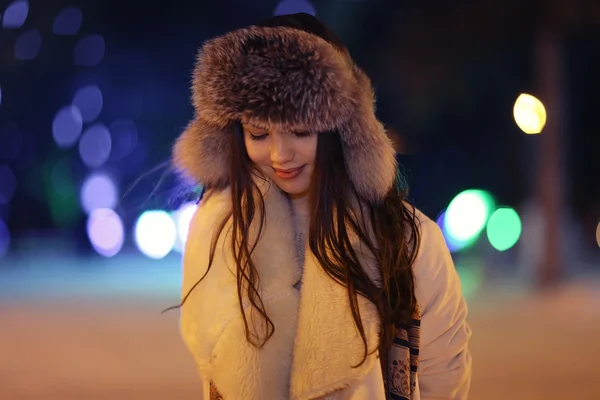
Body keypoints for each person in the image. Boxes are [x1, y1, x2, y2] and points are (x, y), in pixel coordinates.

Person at [171, 12, 472, 400]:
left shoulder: (406, 240)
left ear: (341, 129)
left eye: (300, 130)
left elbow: (443, 379)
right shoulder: (218, 232)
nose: (280, 154)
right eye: (258, 133)